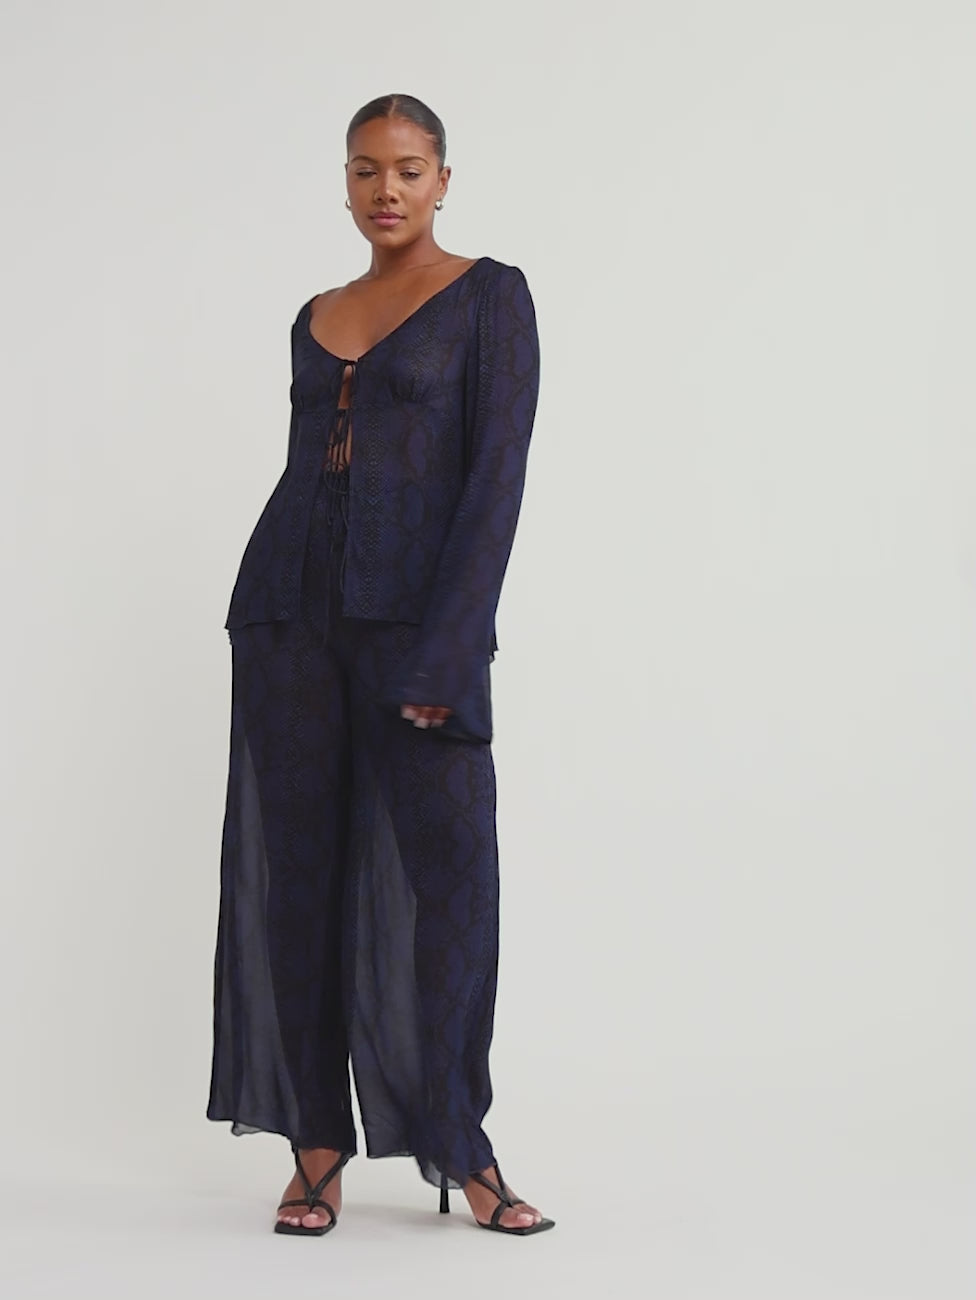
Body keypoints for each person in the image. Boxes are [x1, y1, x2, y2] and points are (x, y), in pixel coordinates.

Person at [206, 92, 553, 1239]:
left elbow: (495, 479)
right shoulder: (314, 314)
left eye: (407, 168)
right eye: (365, 170)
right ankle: (314, 1144)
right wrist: (266, 614)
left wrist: (449, 649)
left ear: (444, 179)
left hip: (419, 629)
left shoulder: (490, 298)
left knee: (451, 884)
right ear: (345, 184)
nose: (386, 189)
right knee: (299, 879)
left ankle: (463, 1142)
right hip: (287, 618)